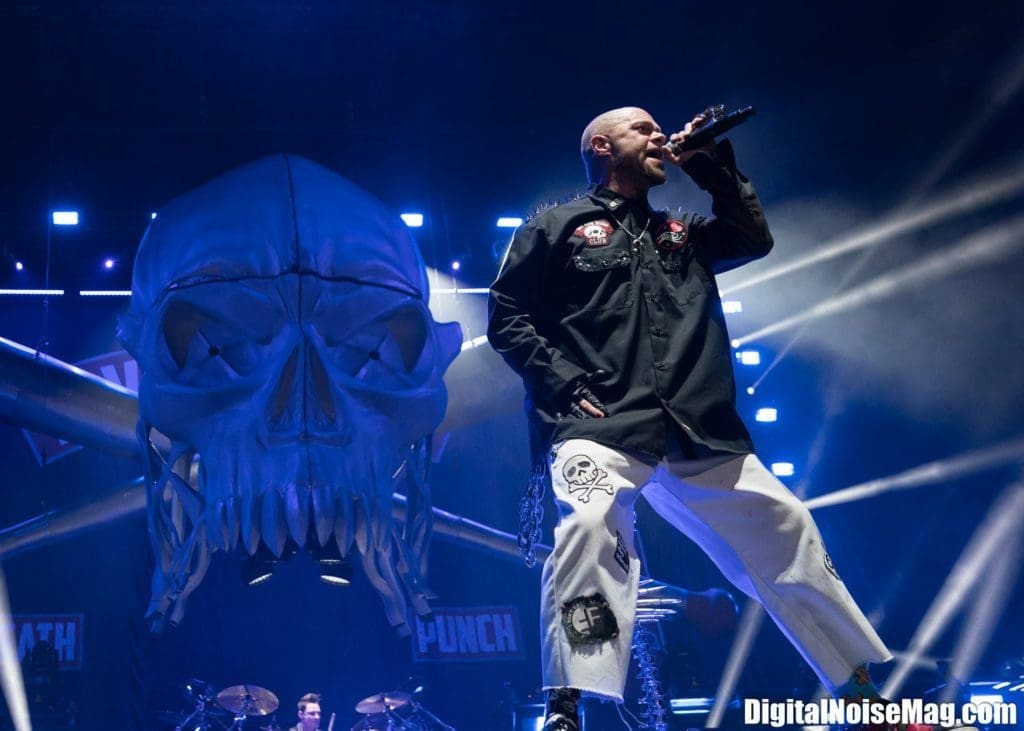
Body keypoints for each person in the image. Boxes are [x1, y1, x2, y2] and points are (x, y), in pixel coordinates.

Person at [486, 106, 891, 730]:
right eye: (641, 130)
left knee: (787, 523)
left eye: (659, 130)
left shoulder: (683, 230)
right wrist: (561, 381)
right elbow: (506, 313)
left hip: (697, 425)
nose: (657, 136)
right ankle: (567, 701)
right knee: (592, 524)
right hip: (600, 424)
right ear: (601, 145)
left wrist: (711, 168)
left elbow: (752, 238)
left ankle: (858, 688)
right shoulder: (557, 225)